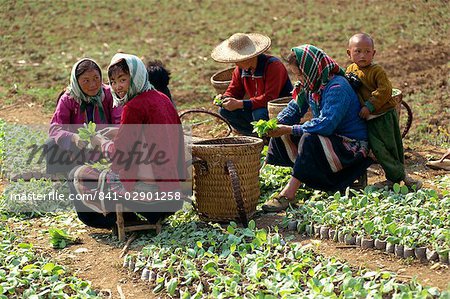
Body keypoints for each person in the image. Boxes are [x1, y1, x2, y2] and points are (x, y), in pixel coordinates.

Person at [69, 53, 186, 228]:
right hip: (173, 195)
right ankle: (134, 216)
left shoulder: (134, 106)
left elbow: (119, 156)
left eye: (122, 79)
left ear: (136, 76)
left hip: (152, 198)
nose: (117, 87)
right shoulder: (162, 98)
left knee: (77, 176)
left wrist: (99, 142)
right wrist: (118, 132)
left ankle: (121, 221)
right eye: (113, 81)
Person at [262, 44, 373, 213]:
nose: (299, 79)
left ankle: (289, 194)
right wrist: (273, 125)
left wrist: (289, 128)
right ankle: (303, 175)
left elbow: (326, 125)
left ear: (311, 69)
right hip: (330, 140)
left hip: (350, 146)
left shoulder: (337, 87)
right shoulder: (312, 86)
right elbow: (293, 109)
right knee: (283, 134)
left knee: (308, 138)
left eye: (300, 74)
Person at [346, 33, 422, 189]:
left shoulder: (376, 71)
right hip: (367, 118)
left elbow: (385, 90)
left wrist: (369, 106)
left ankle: (400, 177)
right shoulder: (351, 70)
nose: (363, 55)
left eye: (367, 52)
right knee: (377, 149)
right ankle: (396, 176)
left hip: (382, 116)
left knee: (390, 146)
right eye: (358, 51)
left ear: (373, 53)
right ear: (349, 53)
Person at [46, 58, 122, 176]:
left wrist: (108, 135)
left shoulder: (109, 94)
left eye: (96, 78)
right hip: (77, 149)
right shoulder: (68, 99)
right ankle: (60, 178)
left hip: (103, 146)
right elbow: (55, 129)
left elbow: (120, 122)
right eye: (86, 80)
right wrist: (74, 137)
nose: (92, 85)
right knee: (51, 143)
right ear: (76, 81)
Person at [210, 33, 293, 136]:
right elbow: (234, 89)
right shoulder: (240, 69)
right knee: (224, 111)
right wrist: (224, 98)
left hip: (279, 110)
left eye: (238, 59)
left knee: (259, 113)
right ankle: (255, 137)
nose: (236, 63)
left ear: (248, 57)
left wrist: (240, 104)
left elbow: (270, 98)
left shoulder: (273, 66)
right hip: (257, 107)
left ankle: (270, 139)